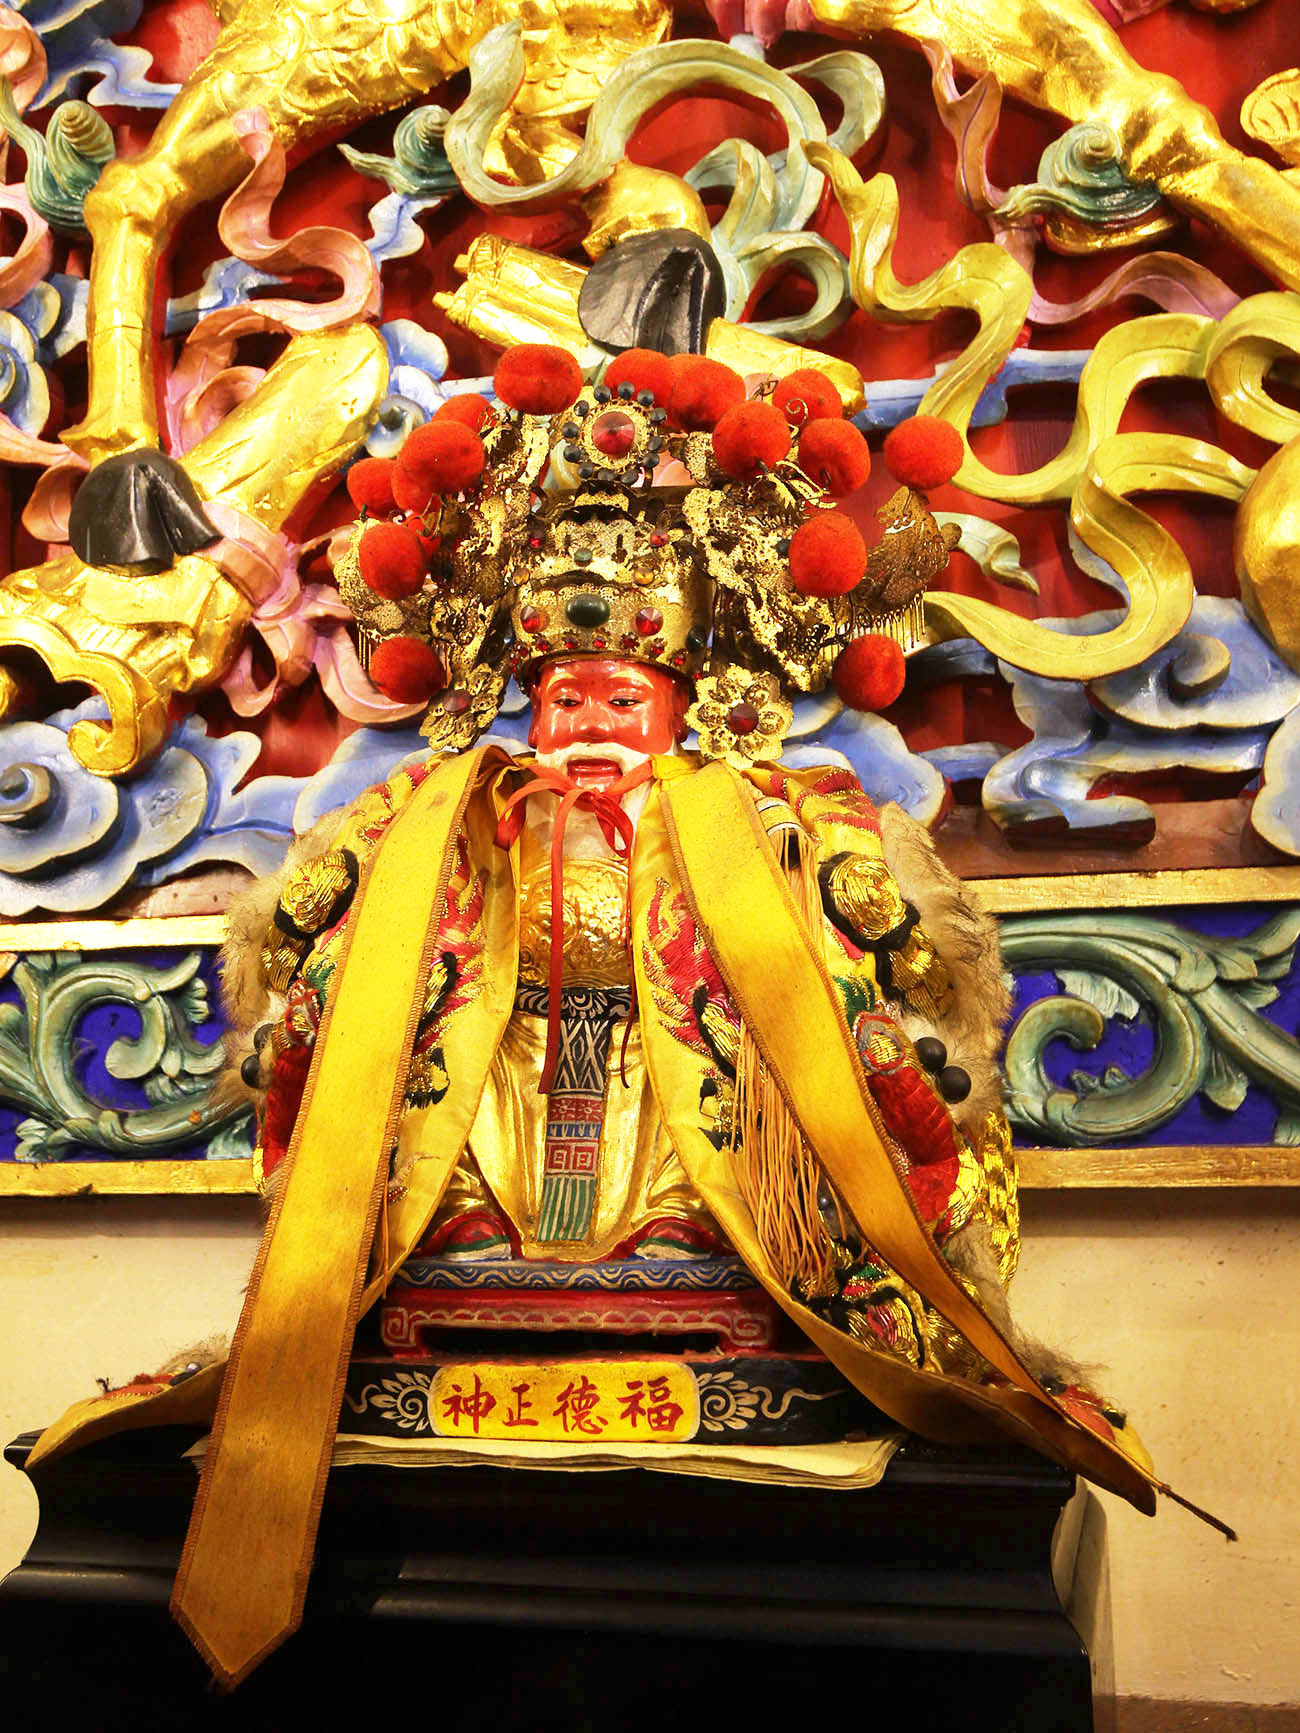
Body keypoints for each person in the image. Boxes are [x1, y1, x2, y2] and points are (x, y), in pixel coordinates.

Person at [29, 343, 1186, 1689]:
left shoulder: (774, 818)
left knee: (733, 1188)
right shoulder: (436, 819)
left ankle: (715, 1271)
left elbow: (900, 971)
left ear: (684, 704)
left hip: (691, 1111)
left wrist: (868, 1006)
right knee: (448, 1193)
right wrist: (323, 1011)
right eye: (563, 698)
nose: (587, 724)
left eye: (621, 700)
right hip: (491, 1092)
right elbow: (323, 959)